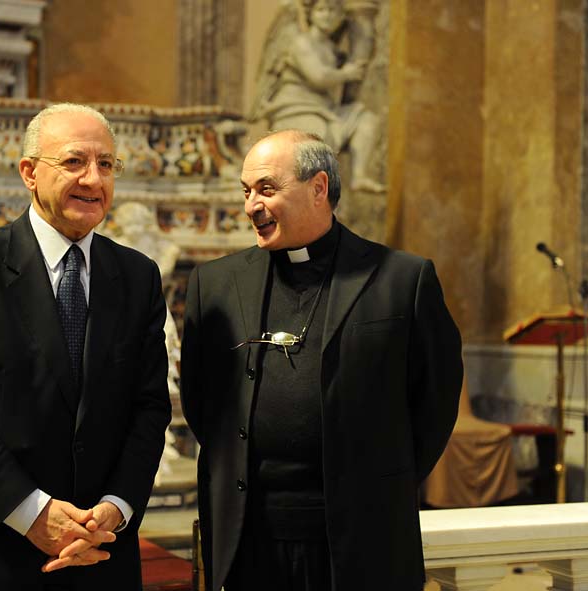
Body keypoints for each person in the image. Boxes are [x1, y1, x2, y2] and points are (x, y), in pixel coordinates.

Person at [181, 129, 462, 590]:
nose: (252, 204)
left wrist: (379, 479)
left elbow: (435, 400)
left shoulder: (402, 280)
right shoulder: (213, 284)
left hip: (361, 540)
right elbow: (201, 401)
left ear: (318, 188)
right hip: (250, 540)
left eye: (267, 189)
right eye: (246, 191)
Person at [0, 103, 171, 590]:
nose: (93, 179)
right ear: (29, 173)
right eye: (74, 162)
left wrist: (115, 509)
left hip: (100, 552)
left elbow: (149, 407)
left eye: (107, 164)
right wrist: (33, 513)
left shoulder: (138, 276)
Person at [250, 0, 384, 192]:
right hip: (297, 107)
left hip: (325, 109)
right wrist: (346, 73)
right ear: (310, 14)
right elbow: (318, 76)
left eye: (333, 11)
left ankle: (359, 175)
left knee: (366, 120)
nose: (327, 15)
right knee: (317, 143)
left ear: (340, 18)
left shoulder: (331, 48)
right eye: (322, 10)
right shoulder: (301, 42)